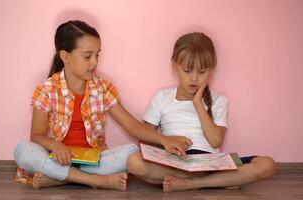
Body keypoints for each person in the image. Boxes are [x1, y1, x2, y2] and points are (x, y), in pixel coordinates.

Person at [13, 20, 192, 191]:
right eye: (87, 56)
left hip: (95, 162)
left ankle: (61, 179)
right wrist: (56, 146)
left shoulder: (103, 87)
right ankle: (95, 181)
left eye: (97, 55)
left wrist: (164, 140)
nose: (95, 62)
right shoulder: (46, 90)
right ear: (65, 56)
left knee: (131, 152)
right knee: (23, 150)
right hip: (57, 159)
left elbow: (131, 125)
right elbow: (36, 136)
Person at [127, 32, 277, 192]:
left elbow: (215, 141)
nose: (194, 78)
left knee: (267, 164)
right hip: (176, 162)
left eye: (201, 72)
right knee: (133, 162)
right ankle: (215, 181)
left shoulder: (219, 100)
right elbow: (144, 139)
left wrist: (198, 103)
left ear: (211, 71)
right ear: (174, 66)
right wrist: (166, 140)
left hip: (210, 163)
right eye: (187, 70)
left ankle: (193, 183)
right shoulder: (162, 97)